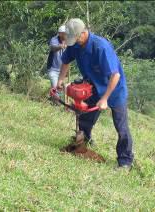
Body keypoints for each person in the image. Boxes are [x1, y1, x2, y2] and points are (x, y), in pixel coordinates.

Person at [57, 18, 134, 169]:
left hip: (114, 89)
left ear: (84, 33)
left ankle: (125, 161)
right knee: (85, 118)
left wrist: (105, 99)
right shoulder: (75, 45)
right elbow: (66, 60)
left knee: (121, 127)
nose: (74, 42)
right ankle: (81, 145)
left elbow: (115, 75)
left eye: (76, 38)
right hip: (93, 86)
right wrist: (60, 80)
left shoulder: (101, 47)